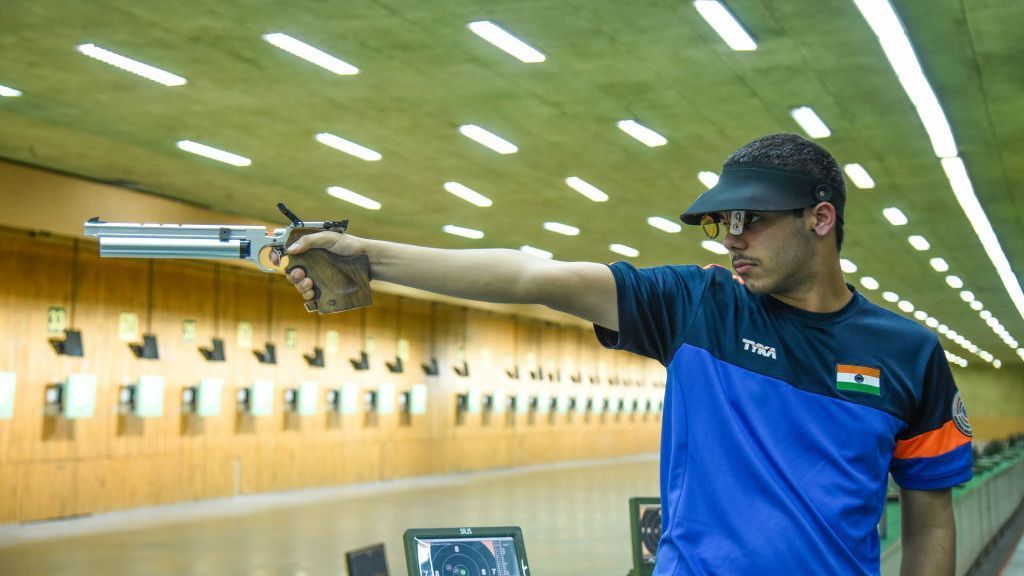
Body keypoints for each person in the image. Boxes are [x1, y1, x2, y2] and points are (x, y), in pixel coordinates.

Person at [274, 133, 973, 575]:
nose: (731, 239)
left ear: (820, 220)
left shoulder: (907, 353)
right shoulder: (695, 306)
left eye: (749, 221)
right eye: (723, 224)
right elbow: (531, 277)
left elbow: (930, 519)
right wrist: (369, 256)